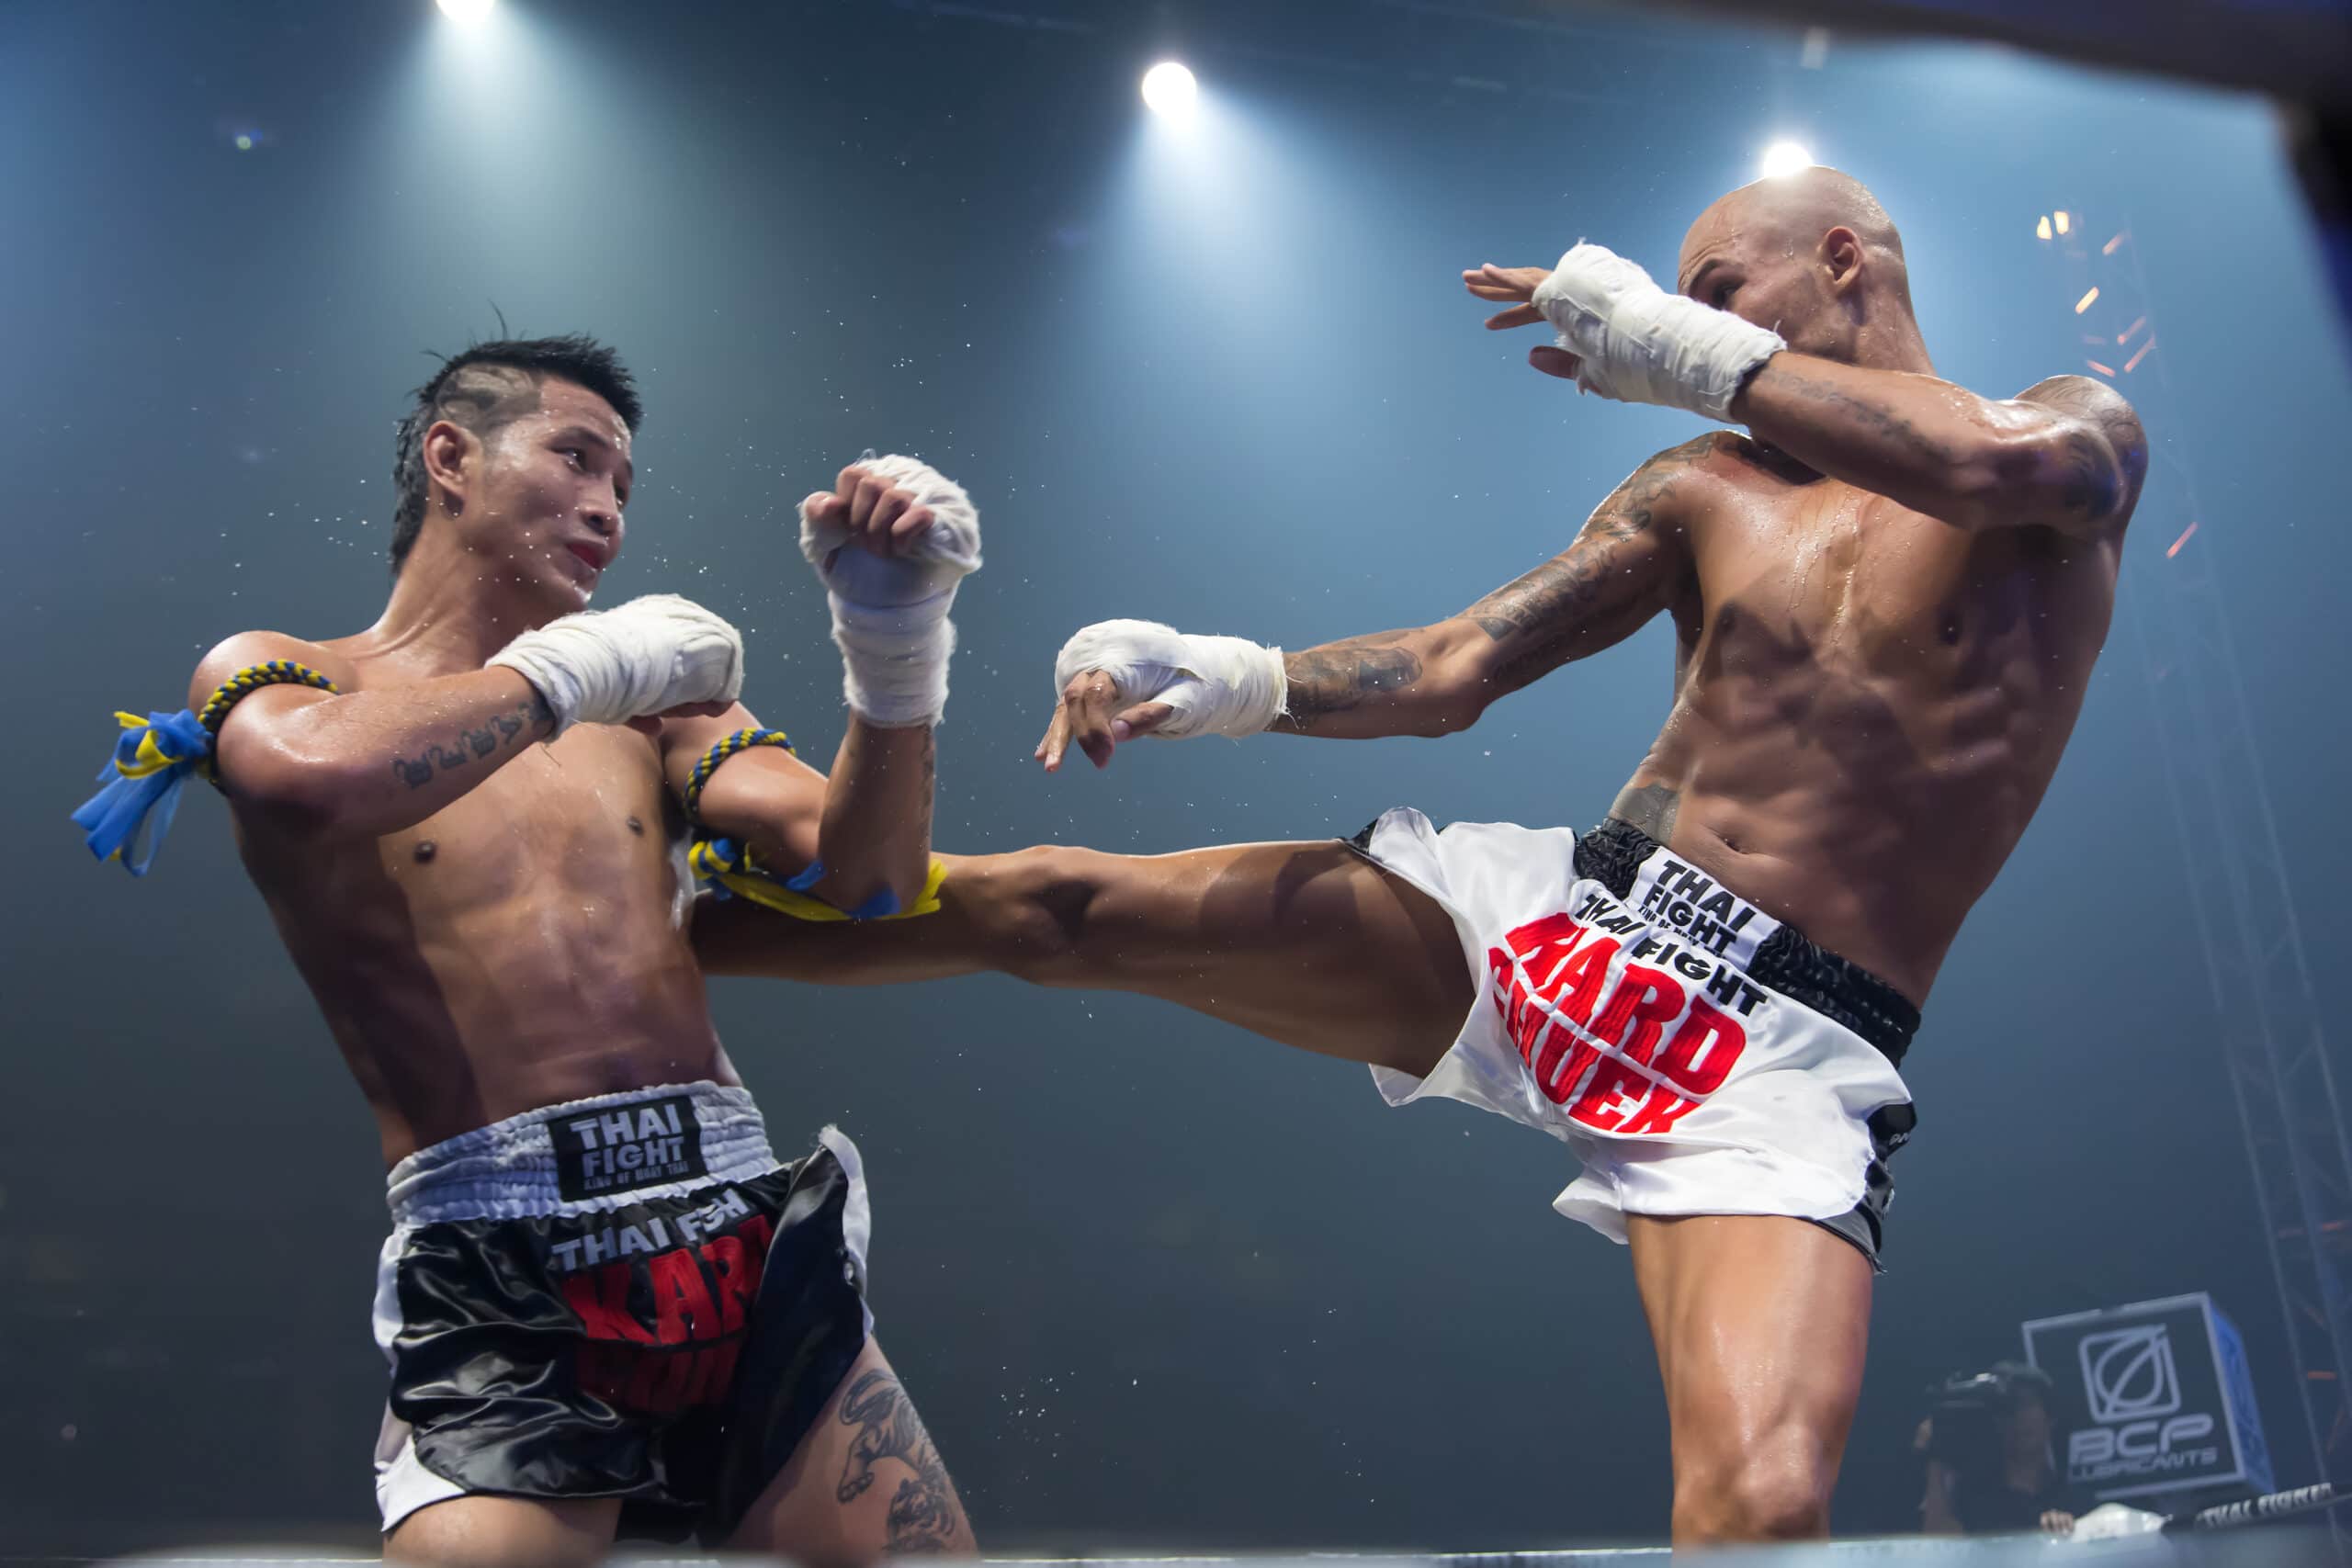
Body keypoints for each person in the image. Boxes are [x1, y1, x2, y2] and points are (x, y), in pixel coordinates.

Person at [694, 168, 2148, 1545]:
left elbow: (1992, 462)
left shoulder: (2059, 434)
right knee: (1063, 902)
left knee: (1761, 1508)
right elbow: (1457, 663)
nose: (1695, 320)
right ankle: (676, 934)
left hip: (1777, 1056)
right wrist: (1230, 673)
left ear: (1845, 261)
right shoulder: (1708, 484)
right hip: (1574, 925)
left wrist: (1663, 335)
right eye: (1683, 302)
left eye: (1719, 287)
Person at [74, 335, 982, 1565]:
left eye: (625, 482)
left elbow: (867, 873)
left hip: (735, 1227)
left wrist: (893, 642)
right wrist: (575, 668)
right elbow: (310, 780)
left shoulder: (659, 708)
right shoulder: (293, 676)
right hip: (503, 1263)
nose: (608, 505)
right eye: (576, 457)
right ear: (452, 457)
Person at [1917, 1365, 2075, 1536]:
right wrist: (1937, 1456)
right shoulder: (1975, 1503)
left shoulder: (2075, 1501)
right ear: (1996, 1421)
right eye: (2008, 1408)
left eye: (2026, 1404)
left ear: (2050, 1417)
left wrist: (2067, 1529)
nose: (2018, 1416)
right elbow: (1941, 1546)